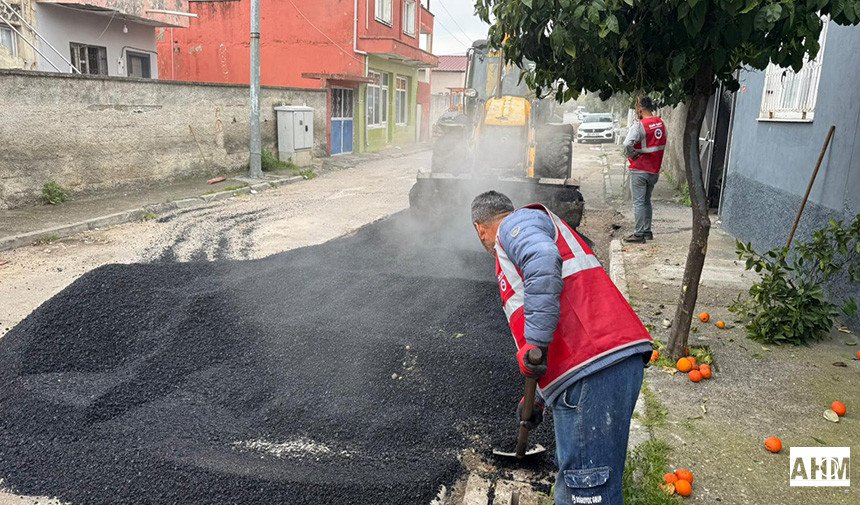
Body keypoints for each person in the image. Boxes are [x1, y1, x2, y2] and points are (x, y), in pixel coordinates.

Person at [471, 191, 653, 505]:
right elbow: (561, 308)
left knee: (588, 490)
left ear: (480, 228)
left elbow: (542, 259)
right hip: (598, 365)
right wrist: (539, 397)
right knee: (578, 483)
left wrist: (535, 346)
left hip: (594, 366)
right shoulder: (530, 228)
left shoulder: (516, 225)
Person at [623, 96, 667, 244]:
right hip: (654, 170)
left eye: (637, 109)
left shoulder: (639, 125)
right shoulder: (660, 123)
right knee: (647, 201)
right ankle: (647, 231)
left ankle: (639, 234)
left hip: (640, 169)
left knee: (639, 203)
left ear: (640, 109)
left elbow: (627, 144)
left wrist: (632, 155)